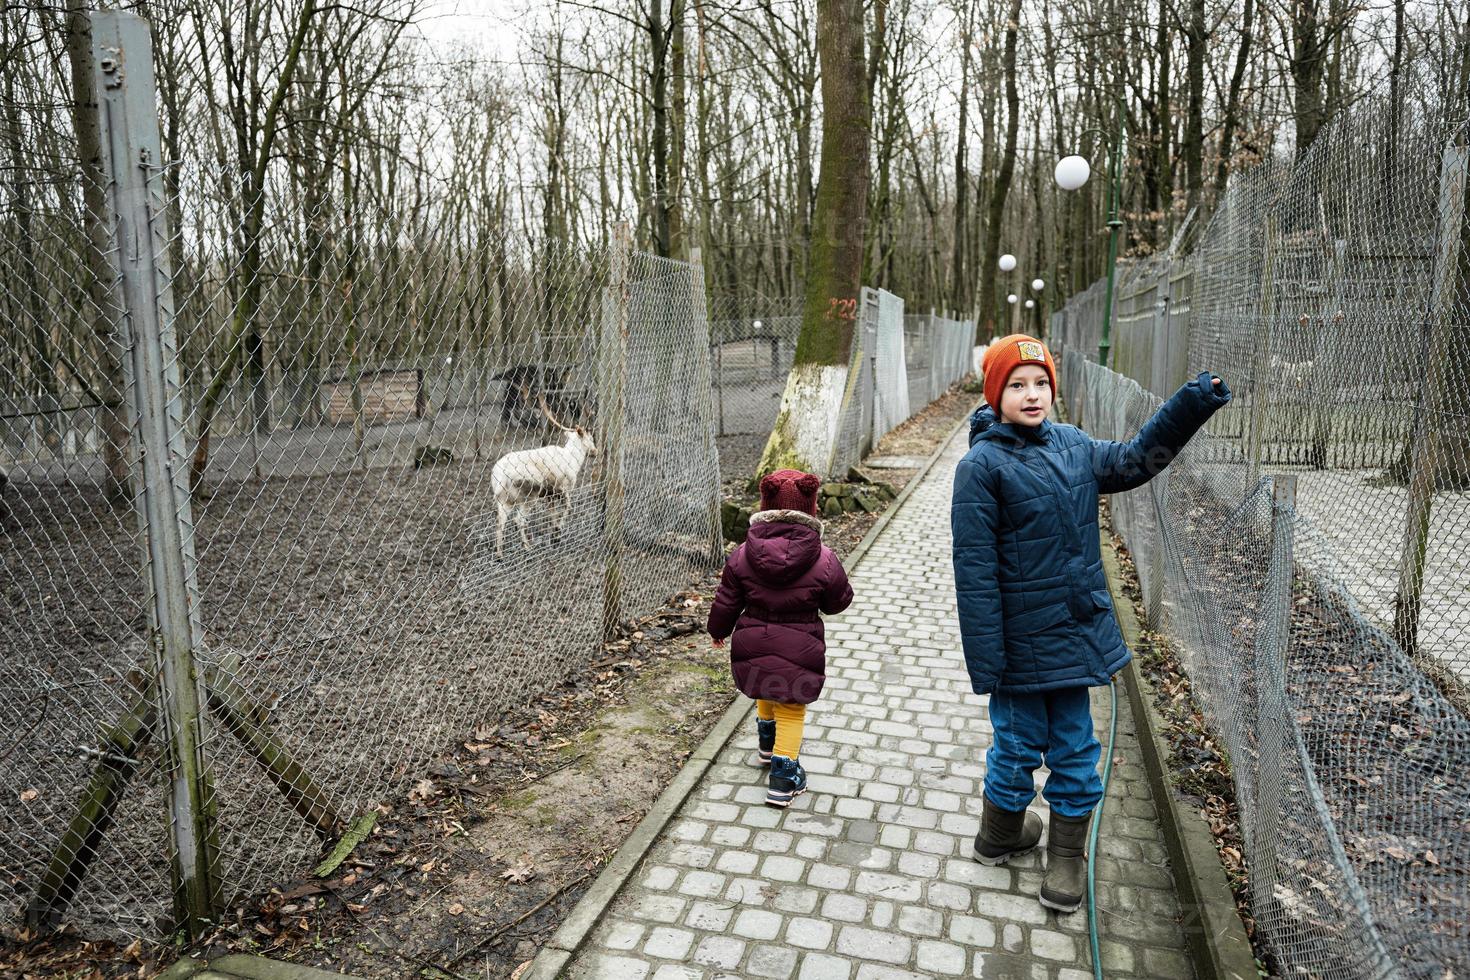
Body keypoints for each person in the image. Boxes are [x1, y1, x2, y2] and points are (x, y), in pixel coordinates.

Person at [952, 333, 1231, 912]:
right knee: (1016, 745)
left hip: (1073, 638)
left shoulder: (1075, 445)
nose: (1032, 395)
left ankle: (1064, 861)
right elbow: (973, 571)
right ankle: (1001, 832)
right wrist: (987, 662)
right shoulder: (980, 467)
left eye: (1041, 383)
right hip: (1015, 646)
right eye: (1017, 385)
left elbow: (1135, 463)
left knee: (1076, 750)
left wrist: (1190, 405)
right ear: (994, 393)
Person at [708, 469, 853, 808]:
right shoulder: (824, 557)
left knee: (764, 683)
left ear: (765, 505)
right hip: (800, 643)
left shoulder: (744, 552)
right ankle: (784, 778)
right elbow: (838, 602)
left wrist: (718, 630)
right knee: (791, 706)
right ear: (811, 509)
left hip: (753, 638)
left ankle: (766, 746)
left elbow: (726, 598)